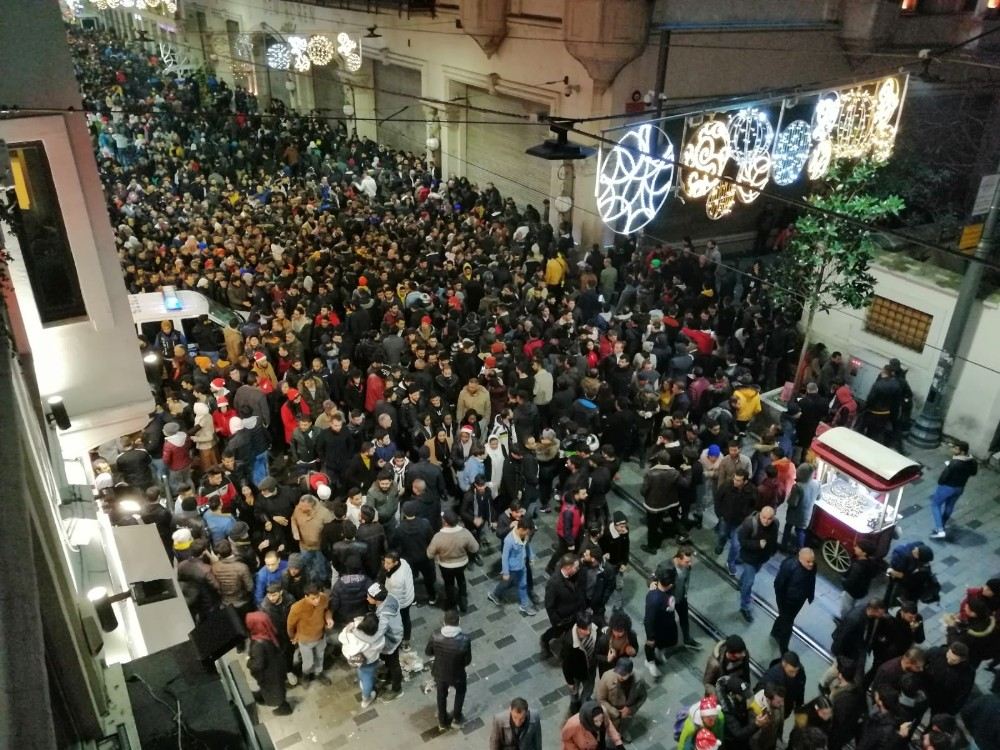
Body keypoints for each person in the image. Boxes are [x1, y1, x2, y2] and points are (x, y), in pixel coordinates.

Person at [425, 609, 472, 731]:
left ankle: (442, 721)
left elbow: (428, 652)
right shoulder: (465, 639)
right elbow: (467, 661)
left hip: (440, 673)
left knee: (441, 695)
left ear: (444, 622)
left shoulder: (435, 635)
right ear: (459, 622)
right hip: (457, 674)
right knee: (460, 692)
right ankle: (456, 718)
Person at [426, 510, 479, 613]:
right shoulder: (465, 533)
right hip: (462, 563)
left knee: (449, 583)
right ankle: (463, 602)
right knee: (461, 580)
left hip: (446, 566)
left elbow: (429, 554)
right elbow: (475, 548)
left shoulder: (438, 537)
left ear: (445, 522)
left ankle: (451, 604)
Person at [736, 506, 779, 623]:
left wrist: (772, 551)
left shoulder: (775, 524)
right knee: (749, 582)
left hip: (762, 558)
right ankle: (744, 606)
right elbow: (742, 540)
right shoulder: (750, 524)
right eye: (764, 517)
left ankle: (741, 582)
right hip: (749, 558)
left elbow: (773, 539)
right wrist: (757, 544)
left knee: (750, 575)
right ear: (760, 514)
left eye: (769, 518)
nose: (766, 521)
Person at [245, 612, 293, 715]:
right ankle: (264, 695)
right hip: (277, 666)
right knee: (278, 687)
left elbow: (258, 665)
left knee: (275, 691)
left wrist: (249, 662)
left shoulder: (258, 644)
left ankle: (284, 708)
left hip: (269, 674)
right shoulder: (270, 630)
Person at [286, 582, 333, 686]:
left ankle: (318, 673)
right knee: (308, 662)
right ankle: (306, 675)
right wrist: (292, 637)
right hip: (305, 640)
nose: (317, 601)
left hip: (320, 636)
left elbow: (327, 610)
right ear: (306, 596)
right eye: (313, 598)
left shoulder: (323, 598)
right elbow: (290, 625)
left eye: (317, 597)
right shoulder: (297, 608)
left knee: (320, 657)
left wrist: (328, 618)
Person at [930, 439, 978, 539]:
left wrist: (948, 468)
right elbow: (973, 473)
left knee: (935, 505)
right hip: (960, 488)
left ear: (962, 451)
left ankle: (940, 530)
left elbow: (943, 478)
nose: (953, 450)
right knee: (950, 505)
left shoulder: (954, 463)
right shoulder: (972, 461)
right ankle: (942, 525)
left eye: (956, 448)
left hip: (947, 487)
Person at [771, 548, 816, 653]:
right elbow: (778, 585)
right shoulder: (789, 567)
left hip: (798, 600)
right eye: (808, 561)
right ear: (800, 559)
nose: (811, 564)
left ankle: (775, 632)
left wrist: (809, 595)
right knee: (788, 625)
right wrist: (782, 602)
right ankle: (784, 649)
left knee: (784, 618)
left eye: (812, 561)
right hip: (786, 602)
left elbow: (811, 580)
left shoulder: (810, 567)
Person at [488, 519, 537, 616]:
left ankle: (524, 605)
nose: (528, 534)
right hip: (512, 568)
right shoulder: (509, 540)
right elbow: (505, 557)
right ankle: (494, 594)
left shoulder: (524, 535)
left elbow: (527, 546)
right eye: (527, 532)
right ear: (522, 529)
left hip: (522, 566)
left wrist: (531, 556)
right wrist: (506, 572)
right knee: (506, 583)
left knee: (523, 585)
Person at [338, 613, 385, 709]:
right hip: (370, 660)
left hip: (357, 660)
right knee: (368, 677)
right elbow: (381, 647)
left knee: (361, 671)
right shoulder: (378, 637)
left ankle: (361, 681)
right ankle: (366, 699)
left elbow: (341, 638)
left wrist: (349, 628)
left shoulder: (353, 631)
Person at [367, 581, 404, 699]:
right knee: (390, 661)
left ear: (376, 600)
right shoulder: (390, 597)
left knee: (394, 664)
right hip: (397, 633)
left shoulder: (384, 615)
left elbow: (379, 633)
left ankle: (397, 689)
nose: (367, 598)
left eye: (369, 596)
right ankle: (389, 675)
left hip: (391, 639)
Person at [541, 554, 584, 659]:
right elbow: (549, 605)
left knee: (572, 634)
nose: (578, 569)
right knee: (557, 632)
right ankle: (544, 640)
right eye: (576, 567)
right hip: (562, 618)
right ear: (567, 567)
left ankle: (566, 654)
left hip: (575, 612)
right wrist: (557, 621)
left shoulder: (575, 576)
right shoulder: (554, 583)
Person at [595, 657, 647, 742]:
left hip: (628, 713)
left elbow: (643, 697)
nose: (620, 676)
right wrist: (616, 713)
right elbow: (601, 699)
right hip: (611, 711)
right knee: (609, 727)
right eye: (618, 673)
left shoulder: (639, 680)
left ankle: (623, 732)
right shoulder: (607, 677)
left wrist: (631, 709)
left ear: (630, 673)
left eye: (624, 674)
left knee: (625, 724)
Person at [561, 611, 600, 714]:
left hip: (590, 667)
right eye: (584, 629)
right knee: (574, 690)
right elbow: (566, 665)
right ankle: (574, 703)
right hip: (576, 671)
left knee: (588, 688)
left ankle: (584, 705)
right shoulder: (569, 642)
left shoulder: (594, 627)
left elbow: (600, 621)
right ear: (578, 627)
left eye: (589, 627)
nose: (588, 632)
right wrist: (570, 682)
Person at [643, 566, 677, 678]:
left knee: (668, 640)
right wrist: (650, 637)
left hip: (668, 622)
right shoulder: (654, 598)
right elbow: (648, 620)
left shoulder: (667, 589)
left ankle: (660, 652)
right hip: (657, 627)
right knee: (651, 645)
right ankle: (650, 662)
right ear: (670, 585)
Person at [380, 551, 415, 650]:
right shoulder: (403, 562)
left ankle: (404, 641)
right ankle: (406, 640)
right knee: (406, 619)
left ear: (395, 562)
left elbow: (393, 597)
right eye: (385, 562)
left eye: (388, 563)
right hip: (408, 596)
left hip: (402, 602)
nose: (385, 565)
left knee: (403, 620)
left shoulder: (396, 580)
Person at [782, 464, 819, 552]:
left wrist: (788, 499)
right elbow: (818, 497)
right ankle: (800, 550)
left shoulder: (798, 486)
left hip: (794, 514)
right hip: (806, 514)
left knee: (787, 528)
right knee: (801, 531)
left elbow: (793, 503)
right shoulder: (817, 483)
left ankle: (784, 546)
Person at [840, 540, 880, 617]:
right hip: (861, 591)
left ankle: (844, 621)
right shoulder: (870, 563)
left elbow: (850, 582)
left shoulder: (858, 566)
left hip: (851, 591)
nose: (855, 548)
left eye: (858, 547)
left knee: (846, 608)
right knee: (852, 606)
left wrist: (843, 582)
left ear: (864, 553)